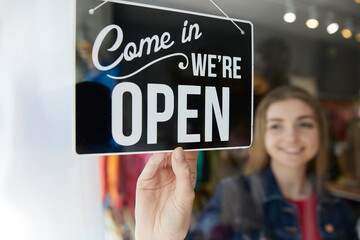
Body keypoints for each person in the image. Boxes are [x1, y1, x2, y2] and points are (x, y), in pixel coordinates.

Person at [135, 85, 359, 240]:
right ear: (262, 134)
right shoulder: (235, 195)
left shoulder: (338, 208)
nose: (291, 137)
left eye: (305, 124)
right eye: (276, 125)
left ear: (321, 132)